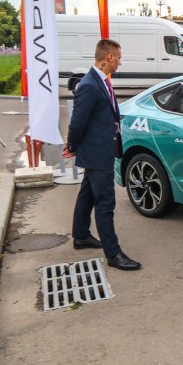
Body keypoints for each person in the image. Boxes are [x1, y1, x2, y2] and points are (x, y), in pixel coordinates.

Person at [62, 39, 141, 271]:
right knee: (105, 203)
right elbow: (78, 121)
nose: (120, 62)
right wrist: (72, 145)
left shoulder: (101, 80)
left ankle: (81, 236)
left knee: (87, 195)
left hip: (99, 149)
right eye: (119, 58)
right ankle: (113, 253)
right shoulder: (89, 85)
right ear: (109, 57)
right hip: (97, 152)